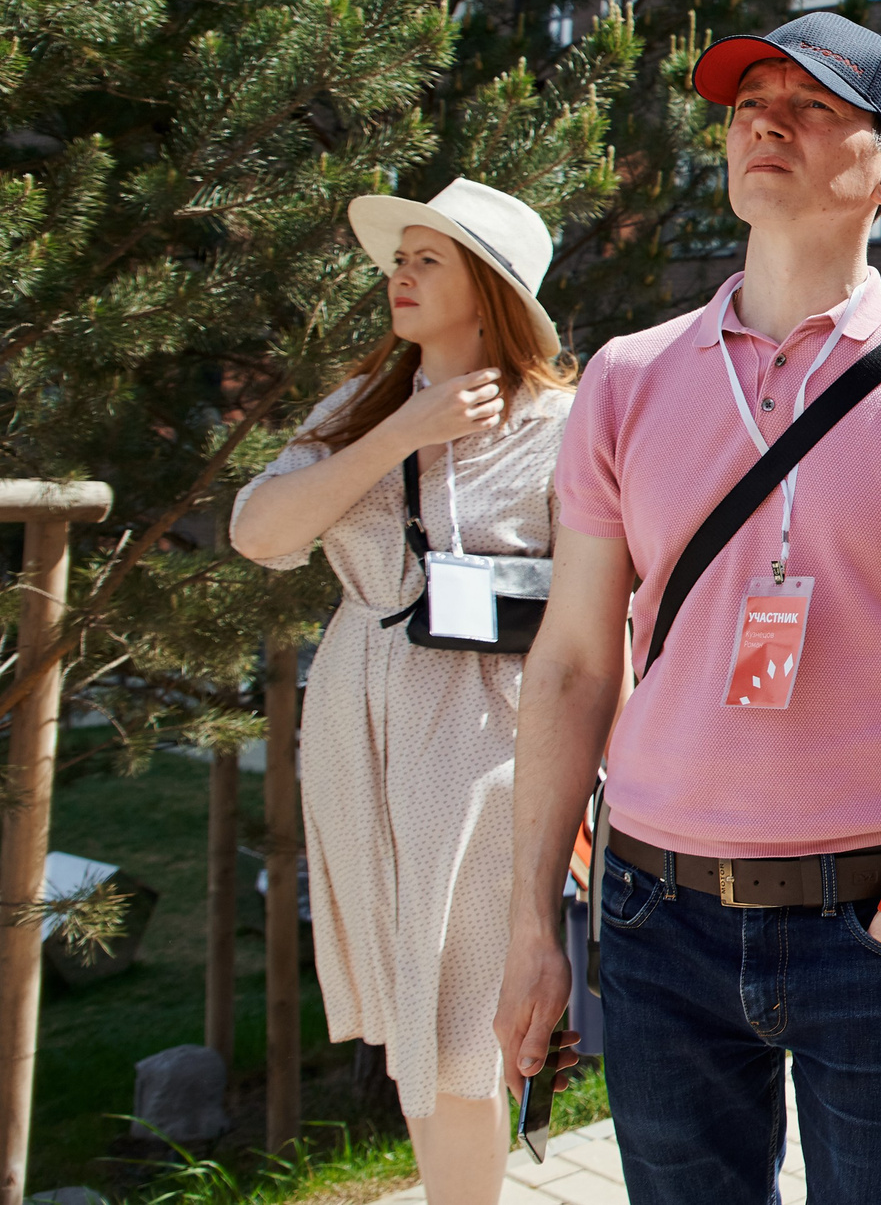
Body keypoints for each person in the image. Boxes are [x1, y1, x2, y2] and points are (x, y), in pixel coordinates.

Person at [491, 12, 881, 1205]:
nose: (763, 122)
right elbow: (578, 661)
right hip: (653, 911)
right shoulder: (628, 380)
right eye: (748, 105)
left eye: (812, 106)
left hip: (872, 915)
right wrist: (535, 920)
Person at [232, 179, 576, 1205]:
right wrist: (402, 428)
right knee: (409, 995)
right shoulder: (357, 407)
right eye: (401, 256)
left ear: (492, 288)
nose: (401, 273)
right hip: (358, 720)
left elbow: (608, 603)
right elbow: (261, 533)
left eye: (429, 258)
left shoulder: (561, 422)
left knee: (465, 1002)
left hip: (483, 729)